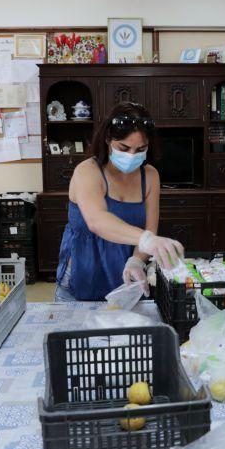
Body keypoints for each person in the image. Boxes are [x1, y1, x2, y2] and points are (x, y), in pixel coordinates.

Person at [55, 102, 184, 302]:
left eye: (141, 149)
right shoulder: (87, 171)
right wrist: (147, 240)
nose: (132, 155)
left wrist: (136, 260)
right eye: (124, 147)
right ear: (108, 139)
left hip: (124, 274)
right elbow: (97, 221)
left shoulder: (150, 176)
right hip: (84, 270)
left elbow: (150, 228)